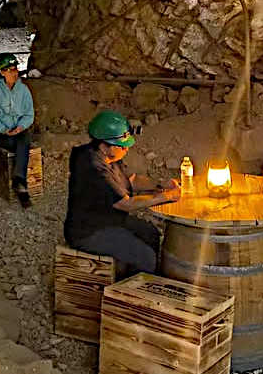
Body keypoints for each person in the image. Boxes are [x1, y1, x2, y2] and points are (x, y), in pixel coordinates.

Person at [64, 110, 181, 276]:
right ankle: (132, 295)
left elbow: (131, 179)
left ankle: (135, 276)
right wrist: (166, 197)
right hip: (89, 230)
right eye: (123, 146)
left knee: (150, 233)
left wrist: (160, 184)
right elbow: (126, 204)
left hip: (109, 219)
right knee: (145, 257)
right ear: (105, 146)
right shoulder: (93, 167)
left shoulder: (108, 156)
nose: (126, 150)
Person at [0, 53, 34, 208]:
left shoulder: (24, 90)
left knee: (23, 138)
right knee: (19, 143)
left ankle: (19, 181)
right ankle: (21, 185)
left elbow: (29, 114)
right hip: (2, 132)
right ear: (2, 72)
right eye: (10, 70)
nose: (14, 73)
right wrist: (3, 129)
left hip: (19, 131)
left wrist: (20, 127)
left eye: (15, 69)